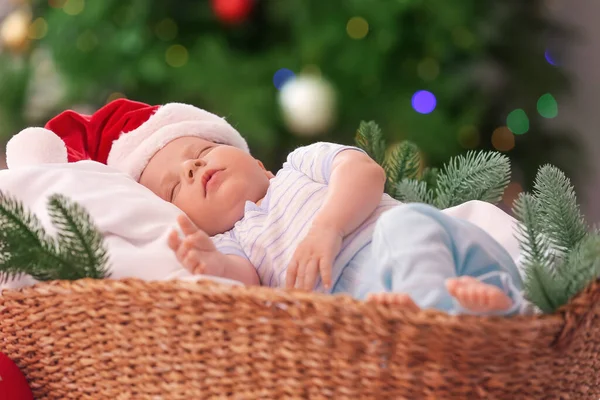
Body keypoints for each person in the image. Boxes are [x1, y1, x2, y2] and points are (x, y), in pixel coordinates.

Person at [5, 99, 524, 315]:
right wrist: (208, 264)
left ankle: (459, 311)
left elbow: (364, 173)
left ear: (254, 159)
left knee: (408, 230)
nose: (193, 168)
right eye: (172, 189)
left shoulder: (299, 167)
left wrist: (328, 227)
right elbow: (243, 281)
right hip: (367, 302)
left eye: (202, 151)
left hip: (399, 237)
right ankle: (488, 307)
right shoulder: (233, 242)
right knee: (377, 322)